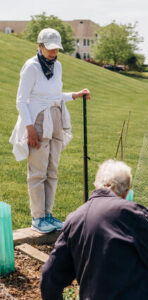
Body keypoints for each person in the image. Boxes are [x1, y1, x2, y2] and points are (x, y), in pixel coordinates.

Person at [40, 159, 148, 300]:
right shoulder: (133, 213)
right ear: (126, 193)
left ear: (96, 185)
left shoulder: (74, 220)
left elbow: (50, 277)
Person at [9, 28, 90, 234]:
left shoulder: (58, 66)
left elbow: (55, 95)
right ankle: (38, 218)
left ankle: (48, 214)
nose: (54, 53)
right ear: (40, 46)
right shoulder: (31, 67)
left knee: (52, 170)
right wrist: (29, 129)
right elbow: (21, 100)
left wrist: (76, 95)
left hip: (56, 117)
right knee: (38, 171)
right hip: (37, 121)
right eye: (50, 49)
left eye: (57, 49)